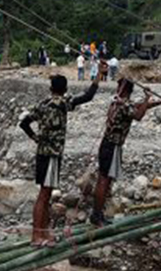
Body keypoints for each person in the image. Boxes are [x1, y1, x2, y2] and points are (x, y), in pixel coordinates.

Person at [19, 65, 107, 246]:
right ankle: (37, 236)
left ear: (51, 89)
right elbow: (88, 96)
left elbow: (24, 123)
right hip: (51, 156)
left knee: (46, 193)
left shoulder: (42, 105)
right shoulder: (63, 104)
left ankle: (44, 233)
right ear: (65, 89)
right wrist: (99, 74)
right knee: (44, 195)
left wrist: (36, 138)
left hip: (43, 153)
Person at [91, 79, 161, 226]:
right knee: (104, 180)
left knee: (106, 180)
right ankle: (96, 215)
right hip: (111, 145)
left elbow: (138, 107)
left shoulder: (120, 102)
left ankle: (98, 213)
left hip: (111, 145)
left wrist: (159, 102)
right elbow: (138, 115)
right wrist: (147, 97)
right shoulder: (123, 104)